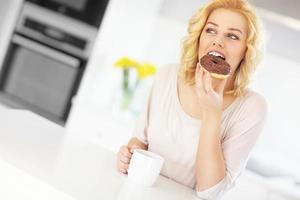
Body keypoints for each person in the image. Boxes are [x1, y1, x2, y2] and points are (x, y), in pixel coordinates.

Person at [117, 0, 267, 199]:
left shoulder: (252, 107)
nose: (218, 41)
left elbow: (209, 192)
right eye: (211, 30)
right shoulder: (167, 76)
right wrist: (129, 156)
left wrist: (212, 114)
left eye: (232, 36)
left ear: (246, 51)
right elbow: (140, 141)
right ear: (199, 38)